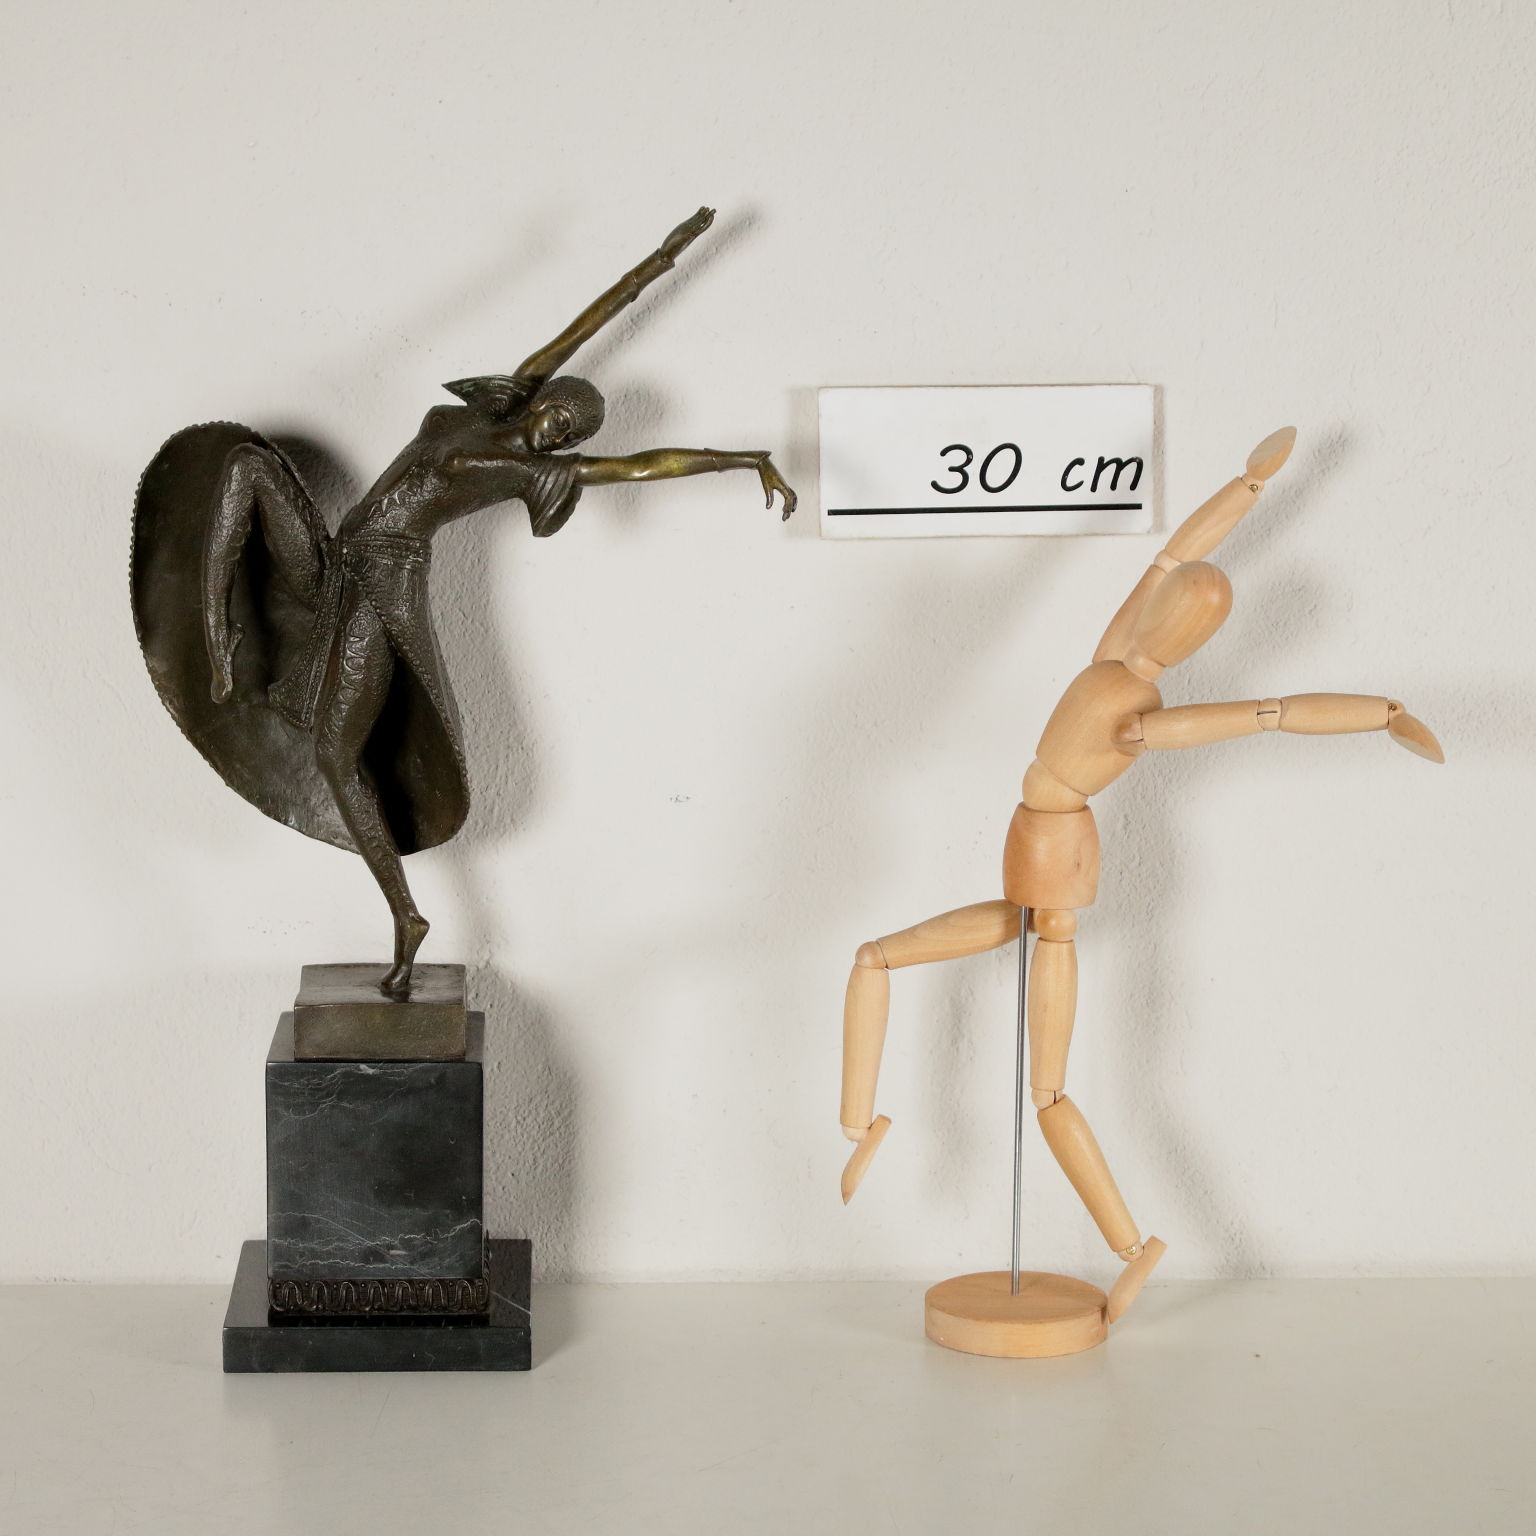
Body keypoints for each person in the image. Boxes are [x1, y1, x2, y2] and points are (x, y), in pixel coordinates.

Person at [200, 207, 796, 993]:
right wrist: (662, 258)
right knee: (245, 465)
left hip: (380, 582)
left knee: (337, 755)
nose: (556, 431)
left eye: (569, 432)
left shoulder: (535, 473)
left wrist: (742, 458)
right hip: (335, 558)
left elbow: (641, 466)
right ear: (541, 401)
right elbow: (580, 329)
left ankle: (406, 916)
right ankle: (217, 634)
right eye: (557, 413)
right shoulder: (485, 412)